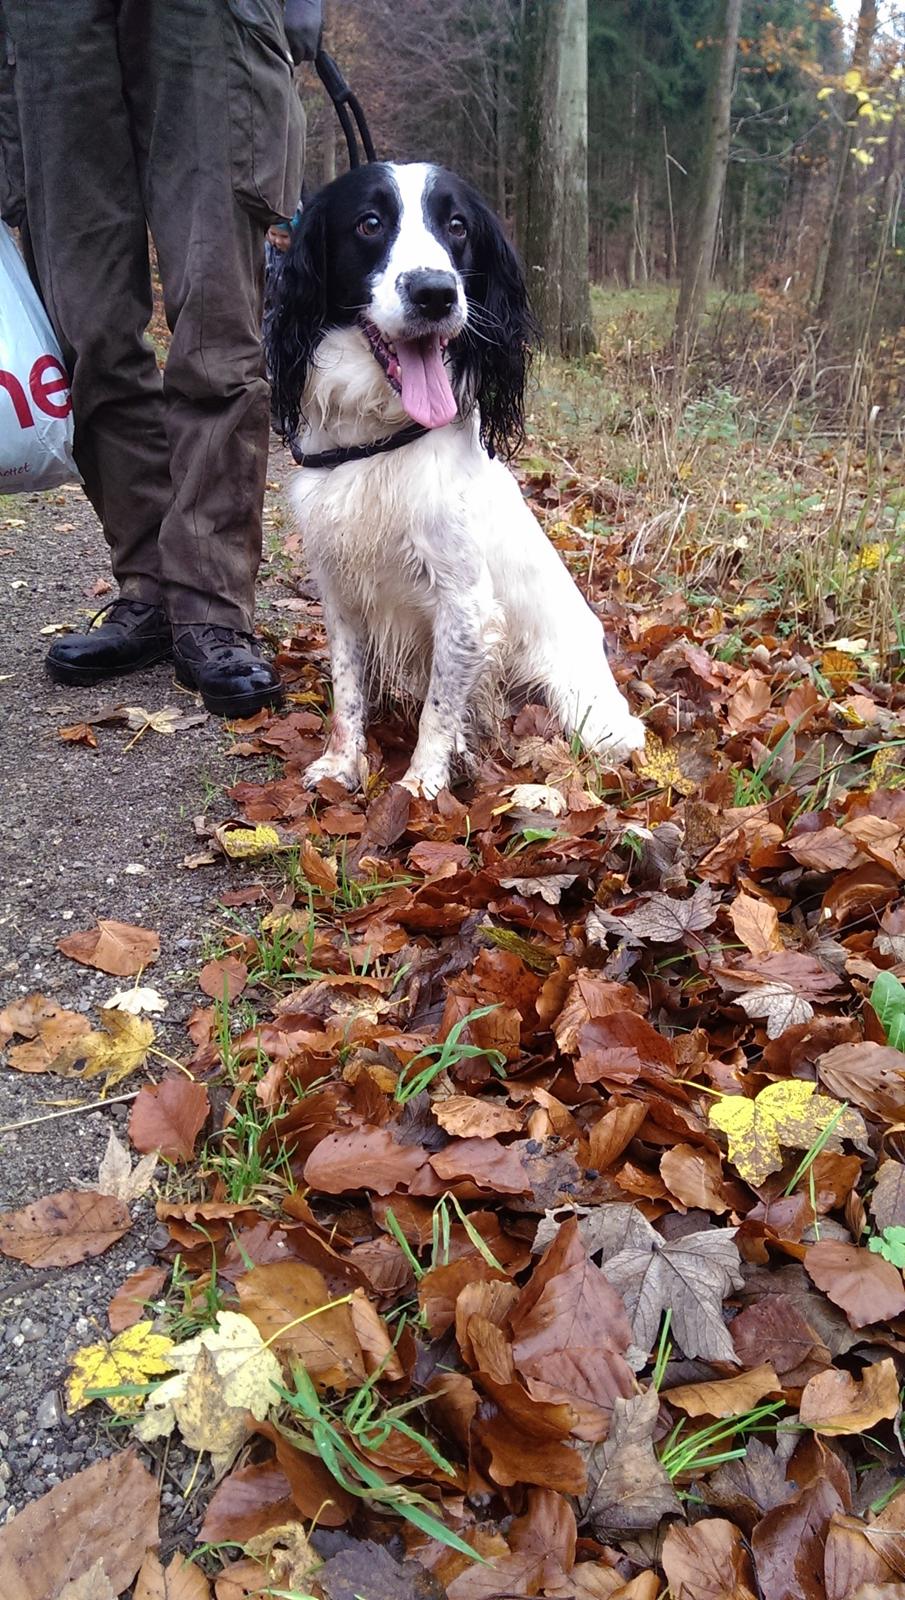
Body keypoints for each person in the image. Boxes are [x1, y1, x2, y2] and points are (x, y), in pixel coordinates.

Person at [0, 0, 322, 718]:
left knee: (216, 329)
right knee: (88, 335)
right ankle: (149, 587)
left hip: (205, 15)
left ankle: (210, 603)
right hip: (48, 25)